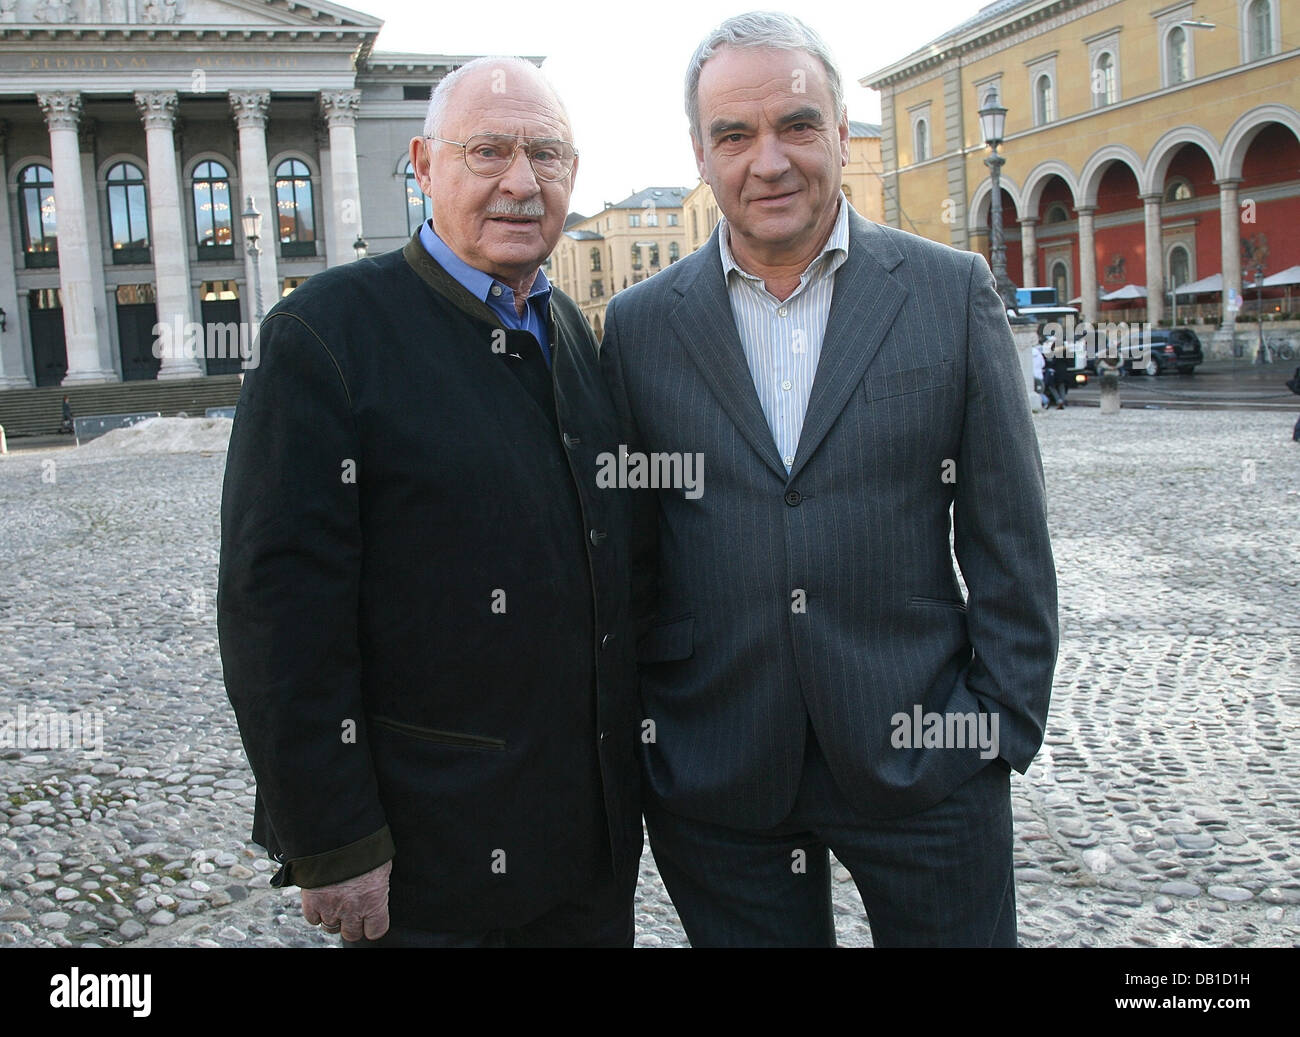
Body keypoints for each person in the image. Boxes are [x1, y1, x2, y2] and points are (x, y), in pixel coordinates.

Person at [600, 12, 1058, 947]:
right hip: (721, 772)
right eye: (734, 135)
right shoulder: (641, 326)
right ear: (701, 153)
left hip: (928, 758)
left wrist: (997, 726)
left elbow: (1009, 535)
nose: (767, 160)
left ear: (842, 135)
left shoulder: (948, 290)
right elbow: (631, 554)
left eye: (797, 125)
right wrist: (661, 730)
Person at [218, 57, 642, 948]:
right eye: (487, 151)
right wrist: (334, 840)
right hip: (433, 860)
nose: (522, 181)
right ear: (423, 163)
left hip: (588, 849)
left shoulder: (569, 329)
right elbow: (278, 615)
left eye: (548, 155)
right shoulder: (325, 334)